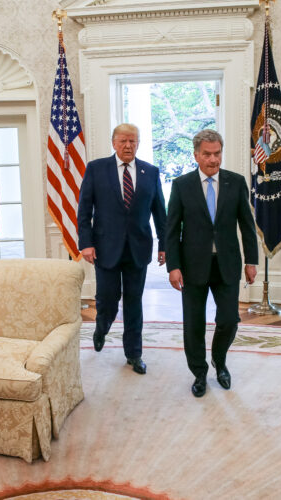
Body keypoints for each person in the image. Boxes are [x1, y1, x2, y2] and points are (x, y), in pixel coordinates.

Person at [165, 129, 258, 397]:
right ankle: (199, 372)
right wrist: (173, 266)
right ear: (196, 155)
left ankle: (220, 360)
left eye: (217, 153)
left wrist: (252, 260)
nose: (213, 159)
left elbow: (247, 225)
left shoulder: (236, 182)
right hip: (192, 265)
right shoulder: (181, 185)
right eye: (207, 154)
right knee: (193, 323)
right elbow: (172, 229)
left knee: (229, 320)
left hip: (227, 263)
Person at [77, 123, 167, 374]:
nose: (128, 146)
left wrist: (165, 245)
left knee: (134, 302)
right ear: (114, 143)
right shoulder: (96, 169)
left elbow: (160, 212)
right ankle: (101, 326)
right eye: (123, 141)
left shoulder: (150, 171)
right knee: (107, 299)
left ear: (138, 143)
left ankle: (134, 354)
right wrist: (86, 243)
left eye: (133, 141)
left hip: (138, 249)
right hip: (105, 247)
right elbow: (84, 210)